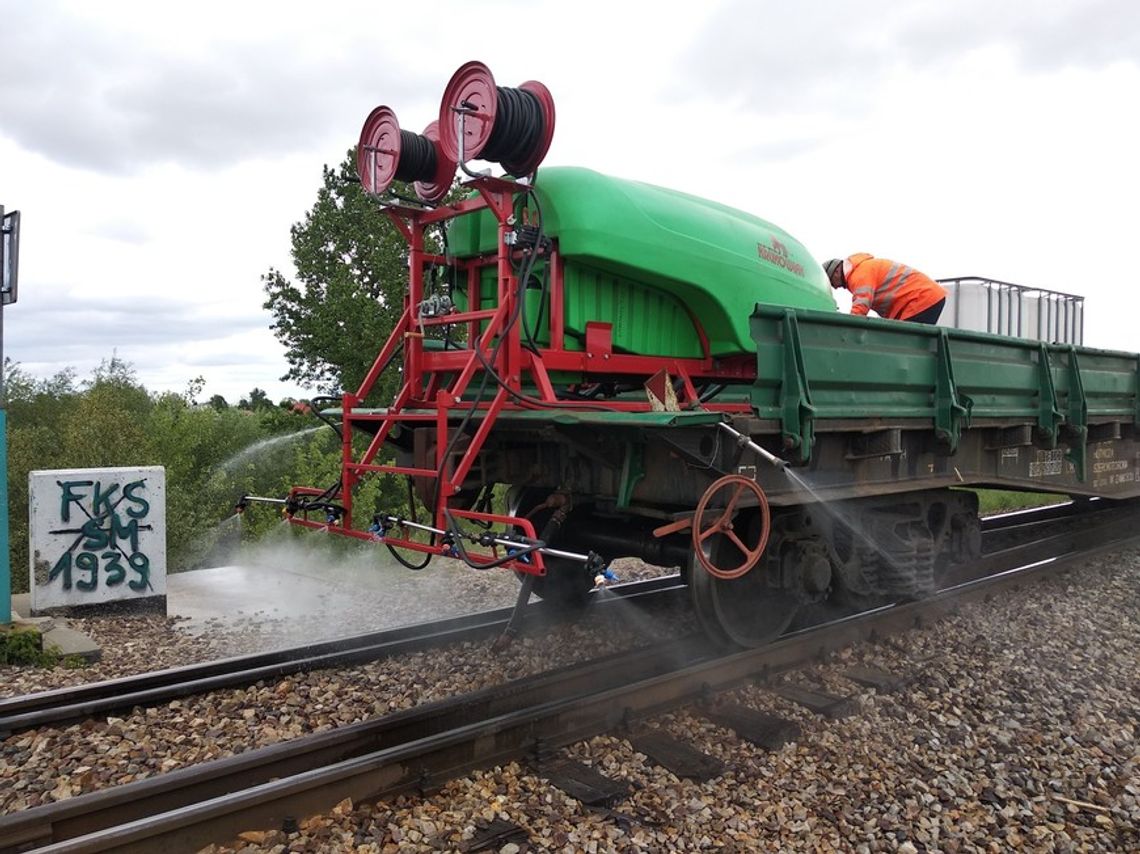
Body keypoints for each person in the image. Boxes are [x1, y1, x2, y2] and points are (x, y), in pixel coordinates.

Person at [823, 254, 947, 324]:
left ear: (836, 272)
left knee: (904, 344)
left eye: (831, 282)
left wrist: (844, 326)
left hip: (921, 299)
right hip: (925, 298)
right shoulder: (861, 269)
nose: (835, 287)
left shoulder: (859, 275)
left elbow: (860, 308)